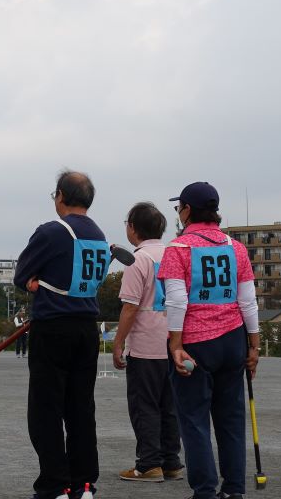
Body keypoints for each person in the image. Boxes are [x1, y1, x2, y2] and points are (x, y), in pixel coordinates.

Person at [158, 182, 259, 499]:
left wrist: (175, 344)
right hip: (233, 340)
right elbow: (249, 301)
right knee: (231, 419)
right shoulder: (236, 247)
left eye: (179, 208)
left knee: (194, 420)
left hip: (196, 343)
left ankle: (205, 490)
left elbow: (175, 301)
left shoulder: (178, 248)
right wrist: (254, 345)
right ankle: (234, 490)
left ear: (187, 210)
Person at [14, 170, 110, 499]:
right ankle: (84, 484)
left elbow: (21, 274)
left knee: (46, 409)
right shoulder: (98, 234)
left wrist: (33, 281)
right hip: (87, 328)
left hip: (53, 327)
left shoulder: (52, 232)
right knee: (81, 408)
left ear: (60, 196)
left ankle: (55, 484)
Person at [112, 202, 183, 483]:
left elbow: (129, 308)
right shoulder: (174, 255)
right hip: (174, 341)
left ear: (132, 228)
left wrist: (118, 343)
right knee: (170, 406)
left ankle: (148, 464)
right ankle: (171, 462)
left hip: (145, 345)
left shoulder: (136, 260)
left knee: (145, 406)